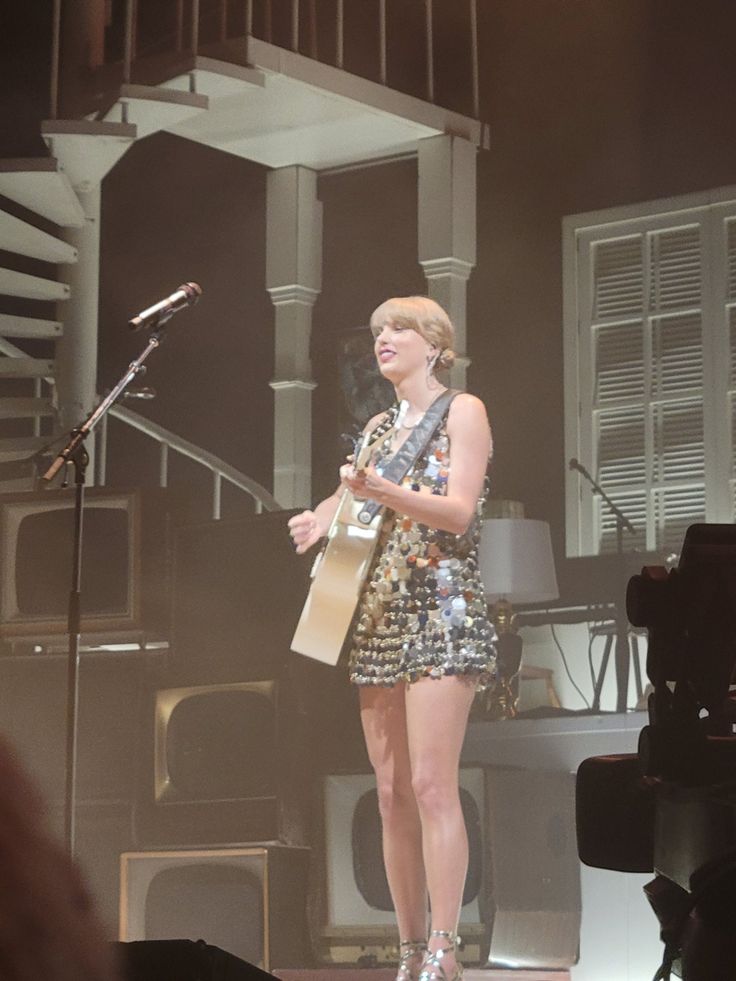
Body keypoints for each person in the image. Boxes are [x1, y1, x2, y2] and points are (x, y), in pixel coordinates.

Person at [288, 296, 496, 981]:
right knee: (390, 791)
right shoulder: (378, 426)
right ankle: (409, 949)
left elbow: (458, 511)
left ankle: (446, 944)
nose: (384, 338)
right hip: (376, 621)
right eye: (378, 329)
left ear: (435, 345)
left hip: (441, 614)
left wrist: (383, 492)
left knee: (435, 784)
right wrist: (320, 519)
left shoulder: (463, 411)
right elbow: (352, 496)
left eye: (399, 328)